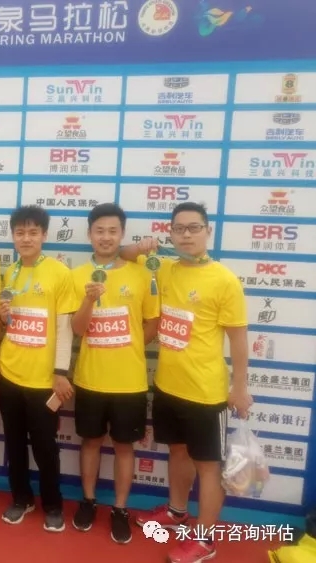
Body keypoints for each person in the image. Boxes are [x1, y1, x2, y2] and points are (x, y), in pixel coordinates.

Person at [121, 202, 253, 563]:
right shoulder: (163, 268)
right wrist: (142, 246)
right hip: (168, 386)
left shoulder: (224, 280)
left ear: (208, 231)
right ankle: (177, 511)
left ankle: (205, 539)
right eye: (178, 229)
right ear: (171, 234)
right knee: (177, 451)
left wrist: (240, 388)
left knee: (209, 466)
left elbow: (239, 340)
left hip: (206, 393)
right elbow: (124, 254)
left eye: (194, 228)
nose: (186, 235)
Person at [69, 203, 160, 543]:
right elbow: (77, 330)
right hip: (90, 379)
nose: (105, 237)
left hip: (129, 382)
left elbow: (153, 323)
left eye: (112, 231)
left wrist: (129, 346)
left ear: (122, 234)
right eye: (99, 231)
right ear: (89, 234)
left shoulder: (141, 273)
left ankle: (120, 508)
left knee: (124, 447)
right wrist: (88, 301)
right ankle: (88, 501)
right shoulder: (77, 275)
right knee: (90, 442)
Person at [0, 205, 76, 532]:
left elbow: (64, 327)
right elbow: (12, 322)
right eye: (20, 232)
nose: (26, 238)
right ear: (13, 236)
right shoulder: (10, 272)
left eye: (32, 232)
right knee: (14, 443)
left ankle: (53, 504)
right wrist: (5, 318)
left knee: (45, 447)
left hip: (44, 381)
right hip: (9, 374)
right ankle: (21, 498)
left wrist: (60, 372)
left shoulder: (59, 273)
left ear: (44, 235)